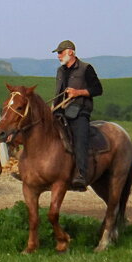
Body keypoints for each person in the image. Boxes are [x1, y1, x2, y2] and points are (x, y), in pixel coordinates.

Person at [52, 39, 103, 191]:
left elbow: (98, 89)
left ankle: (81, 174)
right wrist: (53, 107)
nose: (59, 56)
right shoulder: (60, 71)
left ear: (70, 52)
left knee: (80, 139)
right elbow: (58, 93)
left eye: (60, 52)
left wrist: (78, 93)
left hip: (80, 111)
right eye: (58, 53)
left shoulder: (86, 68)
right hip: (60, 111)